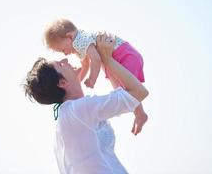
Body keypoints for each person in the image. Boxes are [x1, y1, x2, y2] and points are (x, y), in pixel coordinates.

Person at [24, 33, 149, 173]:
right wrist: (107, 60)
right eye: (60, 64)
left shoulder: (71, 114)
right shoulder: (76, 110)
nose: (65, 59)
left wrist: (101, 61)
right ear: (62, 82)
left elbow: (128, 94)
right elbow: (139, 92)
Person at [43, 18, 148, 135]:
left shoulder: (80, 41)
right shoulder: (79, 45)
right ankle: (140, 114)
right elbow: (86, 65)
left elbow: (96, 59)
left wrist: (92, 79)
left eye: (63, 50)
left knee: (126, 91)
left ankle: (140, 114)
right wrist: (78, 80)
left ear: (69, 37)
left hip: (124, 55)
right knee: (120, 90)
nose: (66, 54)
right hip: (119, 58)